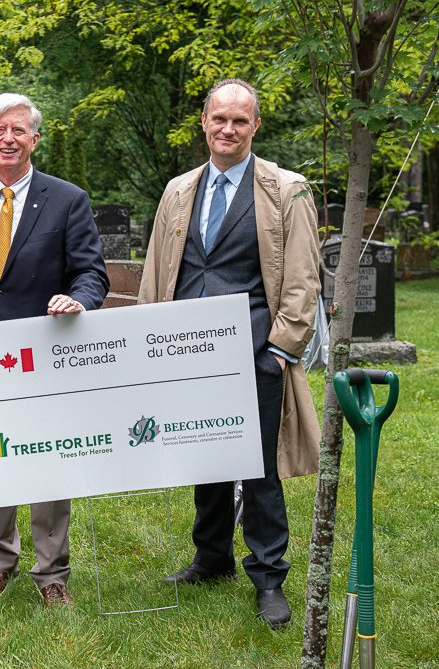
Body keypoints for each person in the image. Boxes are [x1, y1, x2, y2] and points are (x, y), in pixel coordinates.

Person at [137, 78, 321, 629]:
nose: (228, 129)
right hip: (184, 350)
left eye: (240, 121)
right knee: (203, 456)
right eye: (220, 119)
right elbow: (156, 268)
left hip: (255, 351)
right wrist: (149, 339)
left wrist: (282, 348)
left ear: (255, 126)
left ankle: (269, 576)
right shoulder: (178, 190)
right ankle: (211, 558)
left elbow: (303, 277)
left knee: (256, 464)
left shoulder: (287, 190)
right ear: (204, 121)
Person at [0, 93, 109, 607]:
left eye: (18, 130)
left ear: (35, 139)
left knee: (50, 460)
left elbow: (91, 272)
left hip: (48, 352)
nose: (8, 138)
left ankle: (52, 571)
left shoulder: (67, 199)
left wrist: (76, 299)